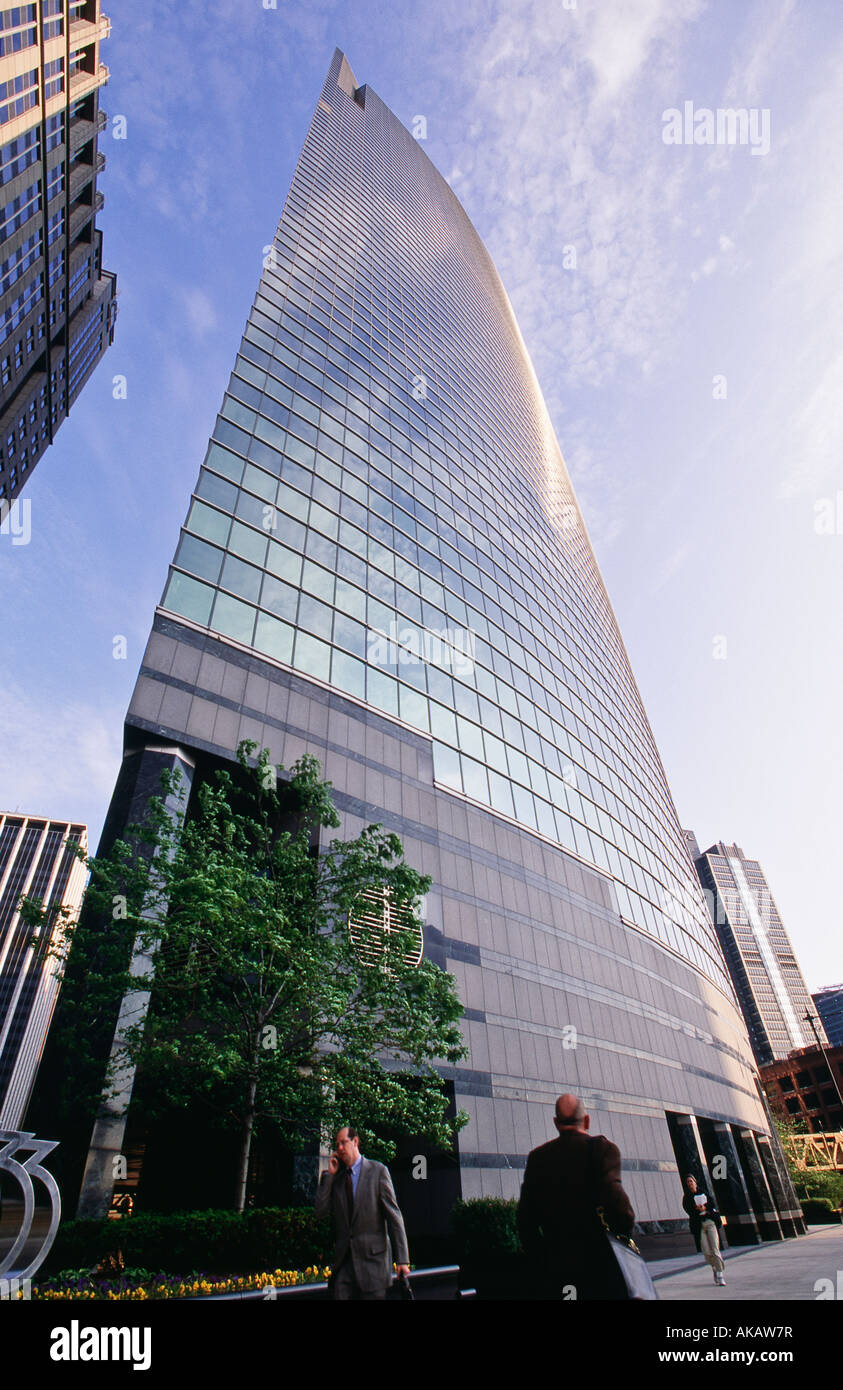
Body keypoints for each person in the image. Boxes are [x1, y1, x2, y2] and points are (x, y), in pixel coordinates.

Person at [517, 1093, 635, 1300]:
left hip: (557, 1264)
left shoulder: (538, 1158)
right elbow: (618, 1205)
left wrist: (542, 1255)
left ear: (556, 1122)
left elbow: (524, 1219)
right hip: (599, 1262)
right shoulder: (602, 1149)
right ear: (587, 1120)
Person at [315, 1125, 410, 1300]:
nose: (340, 1148)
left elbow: (394, 1217)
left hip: (373, 1265)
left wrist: (402, 1259)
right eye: (337, 1145)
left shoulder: (378, 1171)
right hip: (344, 1266)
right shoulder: (336, 1179)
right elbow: (320, 1212)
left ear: (355, 1142)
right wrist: (329, 1176)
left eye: (344, 1143)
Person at [682, 1173, 726, 1285]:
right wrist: (696, 1209)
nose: (690, 1184)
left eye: (691, 1181)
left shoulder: (704, 1193)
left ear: (695, 1182)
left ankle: (720, 1274)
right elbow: (688, 1210)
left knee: (715, 1248)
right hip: (699, 1224)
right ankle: (715, 1267)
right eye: (688, 1182)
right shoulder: (686, 1198)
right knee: (706, 1251)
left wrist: (705, 1207)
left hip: (709, 1221)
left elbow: (712, 1204)